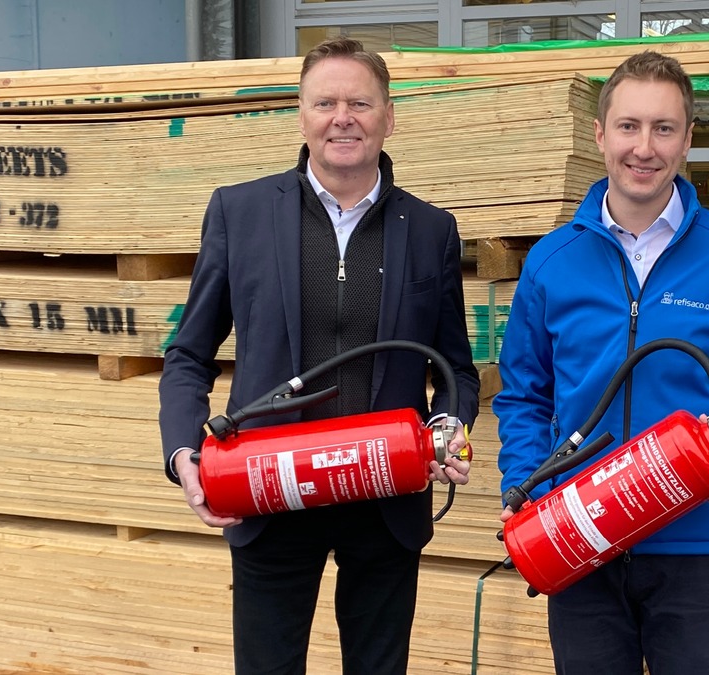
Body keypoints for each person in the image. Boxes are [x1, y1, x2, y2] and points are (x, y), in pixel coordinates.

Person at [158, 37, 480, 675]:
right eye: (325, 102)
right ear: (300, 115)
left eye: (360, 103)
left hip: (384, 495)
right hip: (267, 491)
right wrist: (182, 453)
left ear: (388, 117)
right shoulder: (239, 212)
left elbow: (456, 370)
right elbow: (188, 354)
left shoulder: (431, 230)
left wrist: (448, 427)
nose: (343, 117)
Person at [493, 51, 709, 675]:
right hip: (579, 540)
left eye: (664, 128)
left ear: (688, 140)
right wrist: (525, 483)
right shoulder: (551, 261)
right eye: (629, 126)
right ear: (600, 134)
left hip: (697, 548)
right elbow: (523, 397)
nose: (644, 147)